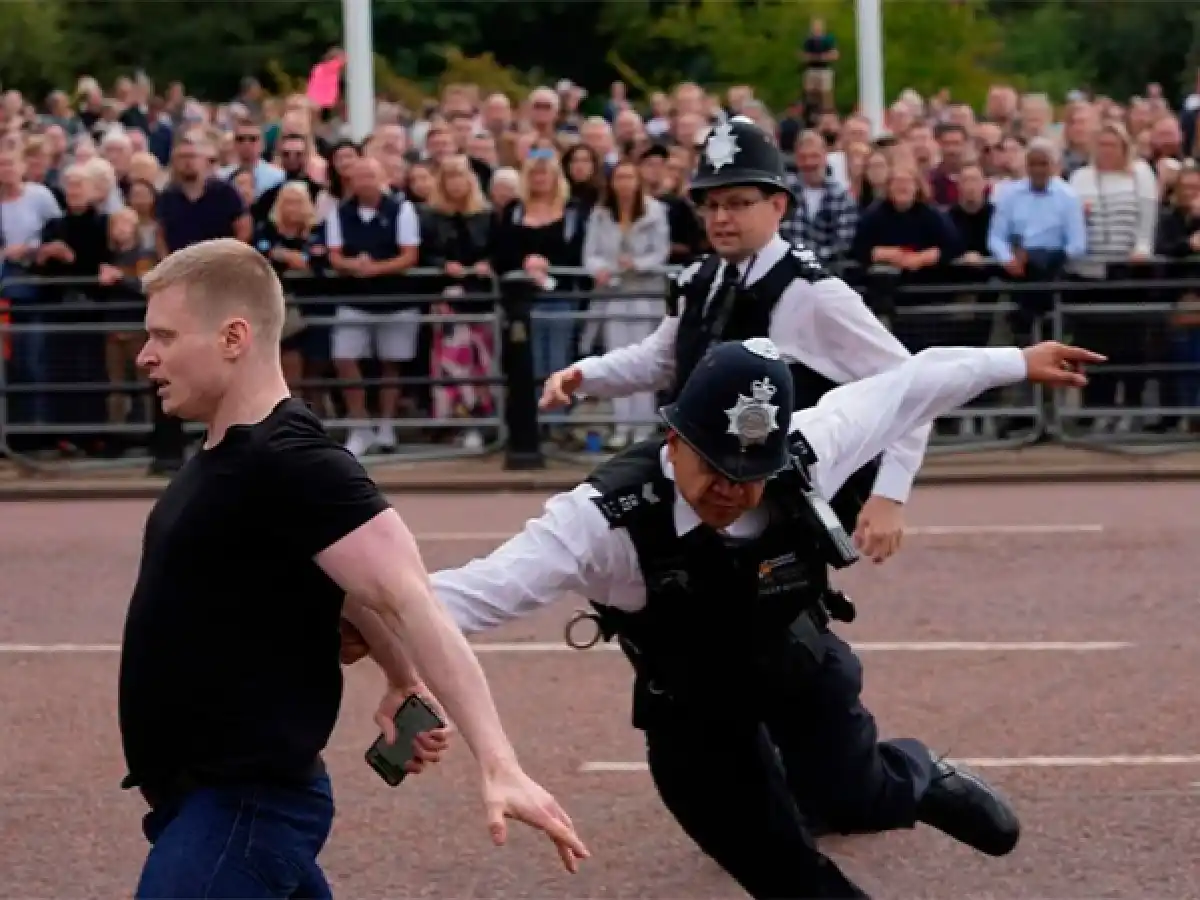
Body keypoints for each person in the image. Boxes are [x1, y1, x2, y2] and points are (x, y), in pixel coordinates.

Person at [345, 334, 1104, 898]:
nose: (733, 490)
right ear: (674, 440)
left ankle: (921, 776)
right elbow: (477, 591)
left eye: (753, 472)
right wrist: (354, 619)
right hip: (695, 719)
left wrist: (1017, 360)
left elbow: (916, 381)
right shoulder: (602, 521)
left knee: (856, 796)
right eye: (715, 465)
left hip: (804, 675)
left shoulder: (809, 447)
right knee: (787, 874)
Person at [120, 238, 588, 899]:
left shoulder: (296, 460)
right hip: (206, 798)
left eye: (163, 336)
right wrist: (399, 677)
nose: (145, 355)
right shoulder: (231, 453)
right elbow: (335, 583)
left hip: (246, 802)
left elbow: (408, 598)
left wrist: (500, 763)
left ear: (233, 337)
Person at [540, 116, 925, 565]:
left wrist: (890, 495)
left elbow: (913, 384)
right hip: (708, 489)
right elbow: (660, 359)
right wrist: (584, 375)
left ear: (778, 206)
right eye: (712, 204)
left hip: (776, 505)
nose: (721, 218)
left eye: (739, 203)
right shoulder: (700, 280)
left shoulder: (815, 293)